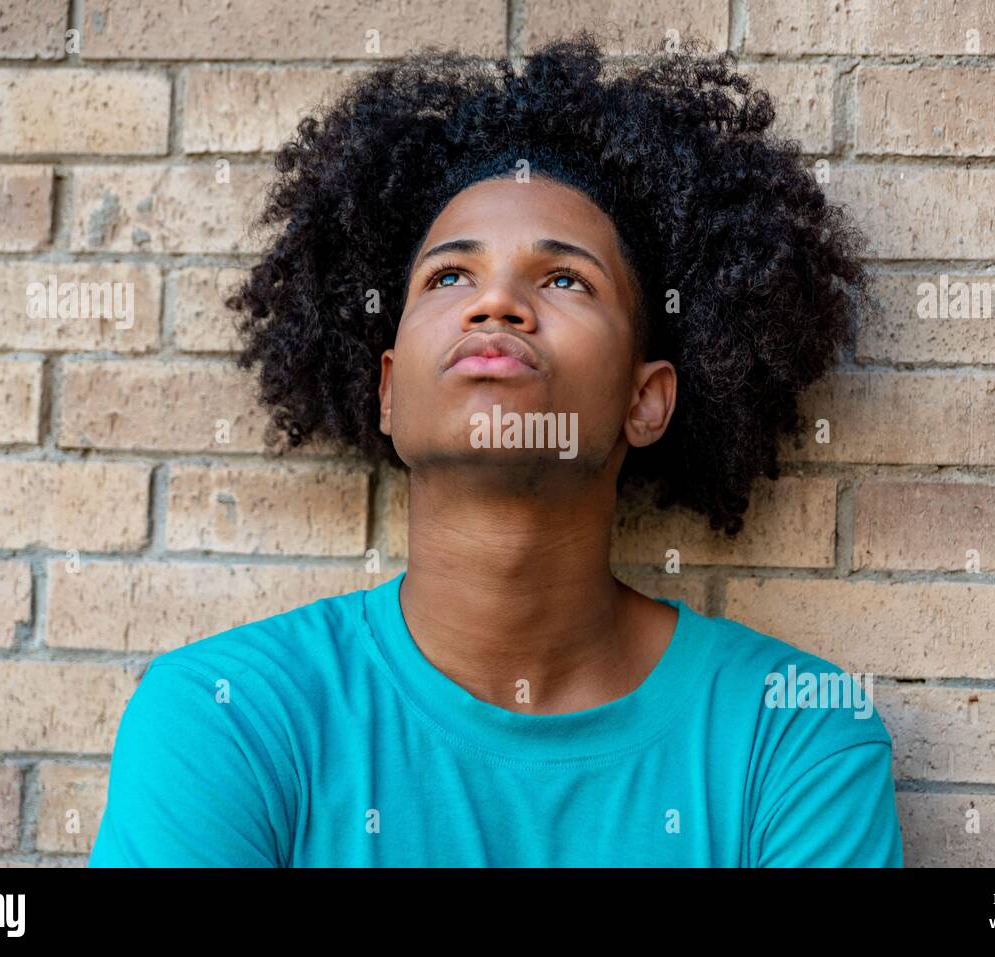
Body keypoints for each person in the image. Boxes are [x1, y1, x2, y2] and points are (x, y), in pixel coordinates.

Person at [88, 32, 904, 868]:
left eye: (564, 280)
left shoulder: (794, 738)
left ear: (645, 399)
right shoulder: (226, 716)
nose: (497, 303)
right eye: (449, 277)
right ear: (389, 391)